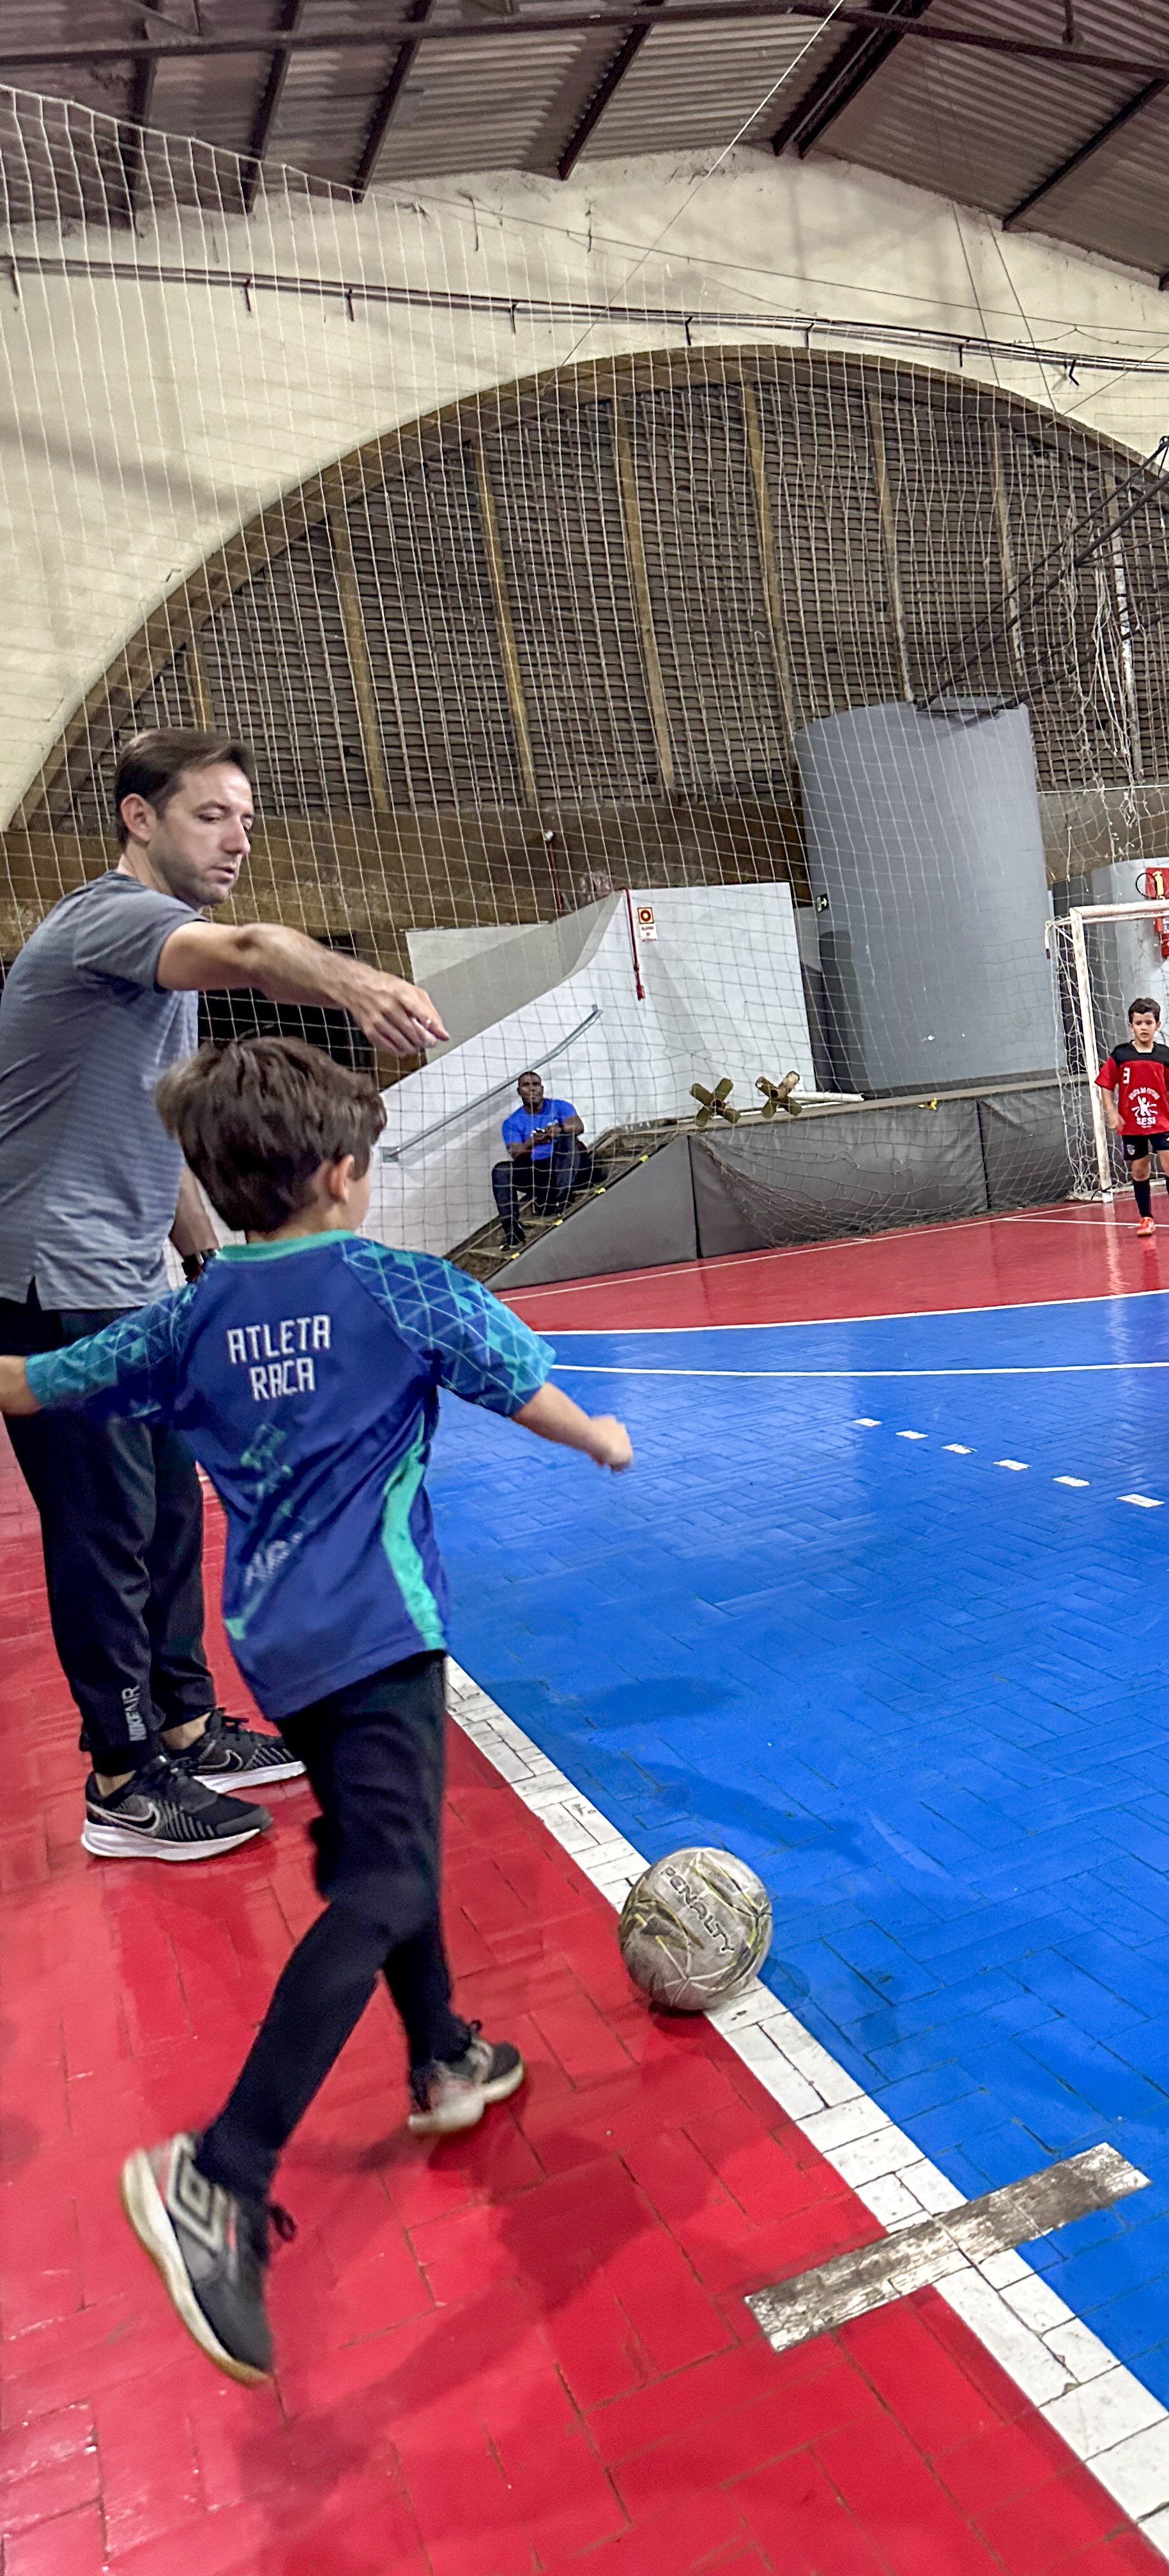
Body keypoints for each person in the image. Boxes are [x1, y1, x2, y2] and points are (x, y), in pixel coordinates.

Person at [0, 1036, 632, 2385]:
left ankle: (444, 2055)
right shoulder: (402, 1286)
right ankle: (218, 2173)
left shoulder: (190, 1315)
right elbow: (520, 1385)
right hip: (384, 1634)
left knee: (386, 1859)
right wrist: (598, 1436)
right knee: (386, 1881)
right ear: (343, 1171)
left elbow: (34, 1382)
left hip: (275, 1651)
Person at [0, 728, 451, 1860]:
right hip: (51, 1277)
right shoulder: (109, 922)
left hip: (126, 1275)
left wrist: (206, 1268)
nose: (238, 839)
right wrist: (352, 980)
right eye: (212, 815)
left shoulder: (157, 981)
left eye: (247, 819)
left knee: (164, 1510)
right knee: (103, 1531)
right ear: (138, 818)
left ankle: (187, 1728)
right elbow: (250, 947)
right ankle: (121, 1780)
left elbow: (152, 1139)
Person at [1097, 998, 1169, 1238]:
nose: (1144, 1027)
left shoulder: (1165, 1055)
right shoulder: (1121, 1055)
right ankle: (1146, 1217)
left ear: (1157, 1025)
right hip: (1133, 1125)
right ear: (1131, 1026)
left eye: (1148, 1023)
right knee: (1140, 1171)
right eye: (1139, 1023)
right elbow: (1106, 1084)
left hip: (1161, 1122)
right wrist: (1112, 1113)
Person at [492, 1071, 590, 1249]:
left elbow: (579, 1126)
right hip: (540, 1173)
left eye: (536, 1085)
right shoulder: (512, 1122)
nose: (532, 1089)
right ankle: (512, 1233)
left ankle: (561, 1200)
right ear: (519, 1091)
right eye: (526, 1085)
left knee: (569, 1139)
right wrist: (532, 1142)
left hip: (568, 1165)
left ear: (542, 1089)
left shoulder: (560, 1106)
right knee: (501, 1171)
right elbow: (515, 1152)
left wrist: (558, 1129)